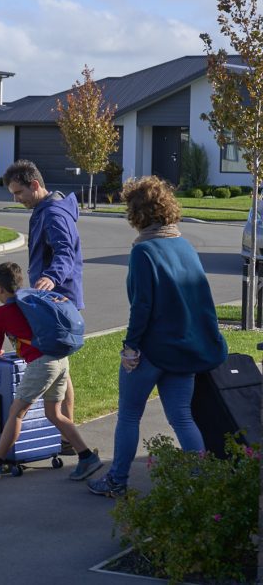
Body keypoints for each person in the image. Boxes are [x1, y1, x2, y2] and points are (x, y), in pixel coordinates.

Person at [87, 176, 227, 498]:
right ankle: (201, 481)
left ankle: (117, 481)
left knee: (129, 415)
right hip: (185, 350)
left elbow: (142, 308)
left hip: (150, 350)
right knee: (182, 417)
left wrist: (130, 348)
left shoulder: (143, 252)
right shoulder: (184, 246)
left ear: (136, 214)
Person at [0, 261, 102, 481]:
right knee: (54, 414)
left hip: (41, 364)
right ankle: (87, 457)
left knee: (17, 412)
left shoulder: (1, 313)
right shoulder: (31, 303)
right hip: (60, 360)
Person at [3, 159, 83, 455]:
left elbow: (65, 252)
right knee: (63, 370)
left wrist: (50, 277)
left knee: (58, 369)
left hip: (58, 304)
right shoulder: (46, 209)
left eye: (19, 192)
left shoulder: (53, 214)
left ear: (35, 185)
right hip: (52, 301)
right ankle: (66, 434)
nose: (16, 198)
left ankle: (67, 436)